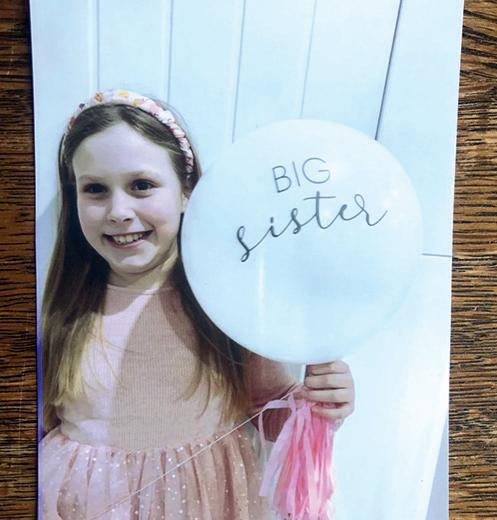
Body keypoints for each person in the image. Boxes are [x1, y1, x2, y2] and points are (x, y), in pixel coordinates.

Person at [40, 89, 355, 520]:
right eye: (95, 189)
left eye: (141, 185)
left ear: (187, 190)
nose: (118, 211)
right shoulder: (60, 310)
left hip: (206, 504)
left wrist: (320, 404)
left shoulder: (226, 303)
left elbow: (272, 412)